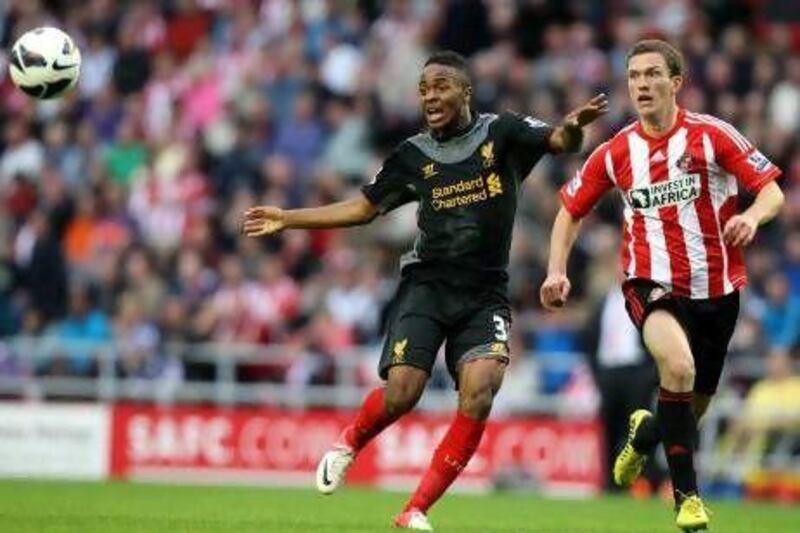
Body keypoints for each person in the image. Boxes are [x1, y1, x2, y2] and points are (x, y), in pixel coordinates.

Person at [242, 50, 608, 530]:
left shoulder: (503, 133)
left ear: (465, 91)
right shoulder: (413, 154)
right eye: (423, 90)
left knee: (481, 390)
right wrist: (288, 218)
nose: (430, 97)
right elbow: (363, 208)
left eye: (440, 86)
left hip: (485, 292)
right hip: (428, 285)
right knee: (402, 393)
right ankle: (350, 441)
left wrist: (576, 127)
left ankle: (414, 510)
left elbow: (561, 139)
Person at [540, 39, 784, 531]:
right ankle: (687, 500)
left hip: (717, 290)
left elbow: (772, 192)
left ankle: (648, 431)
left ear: (675, 82)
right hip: (648, 281)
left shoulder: (713, 137)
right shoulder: (617, 150)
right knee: (677, 365)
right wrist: (556, 269)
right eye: (633, 76)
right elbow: (570, 210)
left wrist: (753, 217)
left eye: (652, 74)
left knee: (686, 411)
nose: (642, 85)